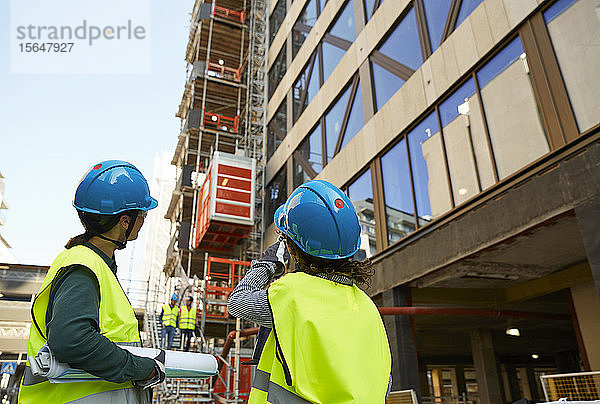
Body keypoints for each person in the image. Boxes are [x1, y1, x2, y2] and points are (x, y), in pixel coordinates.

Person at [228, 179, 392, 403]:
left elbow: (237, 301)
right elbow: (383, 382)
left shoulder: (291, 294)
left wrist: (268, 263)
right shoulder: (367, 307)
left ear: (293, 249)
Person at [19, 160, 166, 404]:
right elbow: (72, 340)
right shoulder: (83, 265)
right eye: (142, 214)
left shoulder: (92, 263)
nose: (144, 220)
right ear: (125, 222)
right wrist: (141, 369)